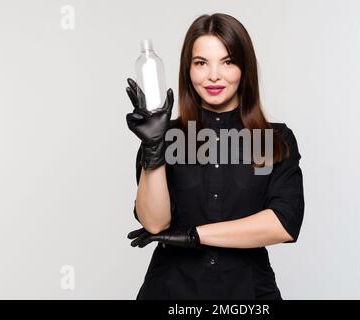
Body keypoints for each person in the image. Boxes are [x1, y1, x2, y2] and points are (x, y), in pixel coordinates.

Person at [125, 13, 304, 300]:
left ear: (244, 68)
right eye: (201, 63)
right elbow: (154, 223)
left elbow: (282, 224)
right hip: (171, 292)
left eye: (228, 61)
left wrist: (194, 236)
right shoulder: (164, 136)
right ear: (188, 70)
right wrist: (153, 149)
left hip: (247, 294)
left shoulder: (274, 140)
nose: (213, 76)